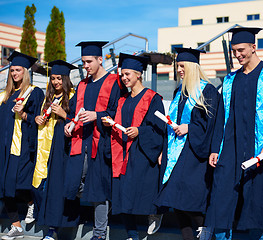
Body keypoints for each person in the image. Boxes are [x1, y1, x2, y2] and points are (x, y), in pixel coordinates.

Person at [204, 27, 263, 240]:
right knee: (221, 198)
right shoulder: (230, 80)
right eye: (234, 51)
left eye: (241, 50)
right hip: (230, 147)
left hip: (258, 147)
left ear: (253, 47)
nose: (237, 55)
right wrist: (215, 147)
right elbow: (221, 115)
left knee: (257, 200)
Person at [63, 41, 127, 240]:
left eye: (89, 61)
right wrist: (68, 122)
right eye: (83, 62)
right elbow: (74, 111)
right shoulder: (82, 85)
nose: (86, 66)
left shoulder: (114, 82)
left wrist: (97, 116)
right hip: (80, 142)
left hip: (102, 144)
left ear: (100, 60)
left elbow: (118, 111)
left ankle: (99, 234)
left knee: (98, 188)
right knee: (74, 184)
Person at [155, 47, 219, 240]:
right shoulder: (178, 92)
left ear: (192, 67)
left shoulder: (208, 91)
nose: (179, 69)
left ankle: (207, 234)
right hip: (176, 154)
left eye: (182, 66)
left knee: (191, 203)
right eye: (178, 66)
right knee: (177, 203)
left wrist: (189, 128)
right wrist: (163, 150)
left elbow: (212, 124)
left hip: (195, 156)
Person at [103, 53, 165, 240]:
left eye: (128, 74)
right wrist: (110, 122)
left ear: (139, 74)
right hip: (122, 151)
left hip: (143, 151)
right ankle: (131, 234)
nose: (124, 78)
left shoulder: (152, 98)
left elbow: (158, 127)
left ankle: (154, 213)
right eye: (122, 74)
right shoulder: (123, 99)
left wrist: (140, 131)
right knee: (122, 194)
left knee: (144, 189)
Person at [33, 60, 79, 240]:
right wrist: (38, 119)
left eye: (59, 78)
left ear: (66, 79)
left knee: (60, 189)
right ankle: (50, 227)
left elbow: (76, 121)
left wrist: (64, 114)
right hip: (47, 149)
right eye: (53, 78)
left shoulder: (74, 97)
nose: (55, 82)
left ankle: (55, 229)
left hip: (64, 150)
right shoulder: (48, 98)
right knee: (42, 187)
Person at [0, 51, 44, 240]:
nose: (14, 73)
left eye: (18, 70)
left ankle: (30, 201)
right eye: (12, 70)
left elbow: (40, 121)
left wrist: (24, 114)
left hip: (22, 146)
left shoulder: (34, 92)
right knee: (2, 186)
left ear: (25, 71)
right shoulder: (4, 95)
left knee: (19, 183)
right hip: (3, 147)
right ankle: (16, 225)